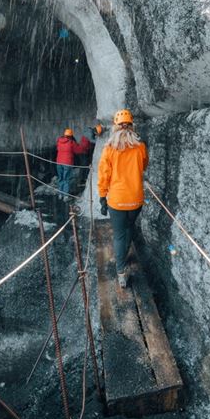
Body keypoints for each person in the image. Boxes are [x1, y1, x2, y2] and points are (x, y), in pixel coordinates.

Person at [97, 109, 148, 288]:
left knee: (119, 235)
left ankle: (121, 271)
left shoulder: (109, 149)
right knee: (129, 228)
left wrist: (102, 196)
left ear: (115, 127)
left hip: (117, 200)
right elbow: (144, 166)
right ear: (131, 126)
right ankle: (123, 253)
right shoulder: (140, 146)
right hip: (135, 199)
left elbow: (104, 175)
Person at [55, 128, 93, 199]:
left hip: (59, 163)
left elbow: (58, 149)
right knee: (66, 179)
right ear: (71, 135)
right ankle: (65, 195)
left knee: (60, 178)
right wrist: (85, 144)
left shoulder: (59, 141)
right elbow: (78, 150)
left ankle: (60, 194)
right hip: (67, 163)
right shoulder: (71, 143)